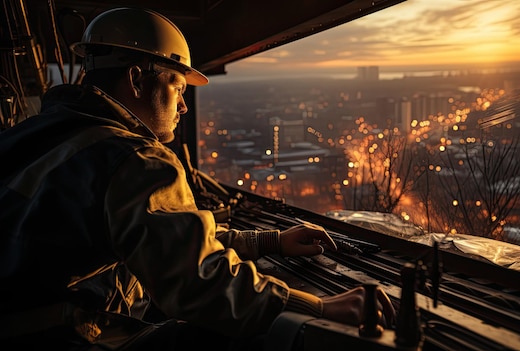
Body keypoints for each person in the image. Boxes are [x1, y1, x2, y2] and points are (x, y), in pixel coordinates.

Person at [0, 7, 395, 350]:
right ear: (137, 79)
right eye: (176, 86)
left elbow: (159, 243)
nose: (185, 105)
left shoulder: (29, 135)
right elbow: (198, 284)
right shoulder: (133, 158)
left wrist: (267, 240)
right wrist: (320, 310)